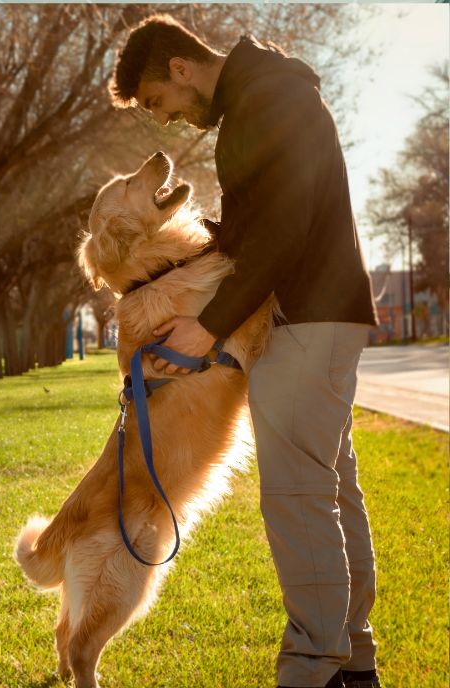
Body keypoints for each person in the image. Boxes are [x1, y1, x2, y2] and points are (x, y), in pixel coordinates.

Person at [108, 15, 381, 688]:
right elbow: (257, 228)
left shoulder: (268, 99)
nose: (168, 119)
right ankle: (353, 660)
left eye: (158, 103)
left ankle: (314, 669)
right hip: (312, 313)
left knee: (297, 496)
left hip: (307, 315)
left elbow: (285, 224)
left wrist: (210, 325)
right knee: (328, 488)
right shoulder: (263, 97)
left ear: (180, 69)